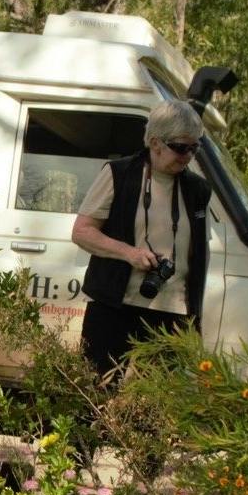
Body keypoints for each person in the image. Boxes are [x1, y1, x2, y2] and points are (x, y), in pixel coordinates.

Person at [70, 100, 213, 381]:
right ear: (155, 142)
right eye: (181, 147)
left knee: (157, 407)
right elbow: (82, 232)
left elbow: (198, 254)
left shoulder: (198, 189)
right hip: (115, 306)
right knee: (96, 388)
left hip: (173, 313)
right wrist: (128, 253)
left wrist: (194, 315)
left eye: (195, 148)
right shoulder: (119, 174)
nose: (188, 156)